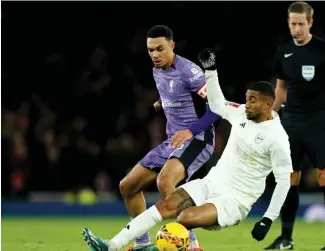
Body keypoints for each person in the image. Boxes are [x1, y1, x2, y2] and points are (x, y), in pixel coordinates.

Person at [81, 48, 293, 251]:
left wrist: (268, 218)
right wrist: (211, 71)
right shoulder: (240, 114)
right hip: (210, 183)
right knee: (167, 205)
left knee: (184, 218)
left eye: (253, 101)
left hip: (234, 201)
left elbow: (284, 181)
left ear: (268, 105)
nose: (247, 105)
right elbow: (217, 104)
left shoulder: (277, 138)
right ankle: (112, 245)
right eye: (247, 99)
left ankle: (185, 245)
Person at [253, 2, 325, 250]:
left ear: (310, 22)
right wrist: (268, 117)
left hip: (318, 122)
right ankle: (286, 239)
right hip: (291, 122)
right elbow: (281, 88)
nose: (296, 28)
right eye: (292, 23)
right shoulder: (284, 51)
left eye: (300, 24)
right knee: (289, 178)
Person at [120, 25, 220, 251]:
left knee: (165, 182)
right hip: (173, 142)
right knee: (128, 186)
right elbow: (174, 92)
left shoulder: (190, 71)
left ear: (172, 46)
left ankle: (193, 245)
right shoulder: (158, 70)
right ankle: (143, 244)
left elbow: (217, 108)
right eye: (150, 50)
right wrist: (161, 102)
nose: (154, 55)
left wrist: (191, 130)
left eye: (160, 49)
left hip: (198, 138)